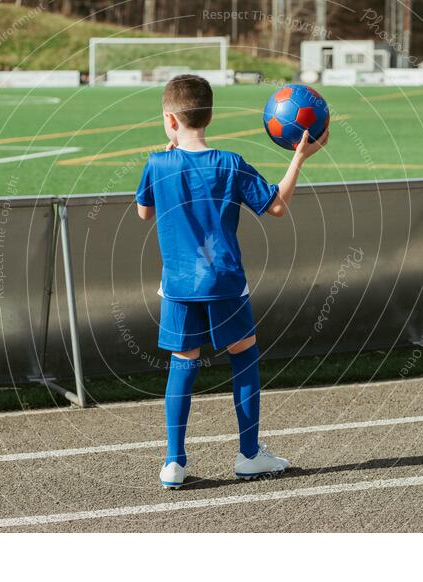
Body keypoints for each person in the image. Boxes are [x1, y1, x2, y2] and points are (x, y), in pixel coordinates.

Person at [135, 74, 329, 489]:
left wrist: (168, 158)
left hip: (178, 286)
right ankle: (249, 454)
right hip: (225, 281)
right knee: (243, 357)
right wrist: (299, 158)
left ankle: (174, 462)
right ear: (209, 116)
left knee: (182, 363)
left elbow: (143, 213)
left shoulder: (157, 163)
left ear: (170, 119)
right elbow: (275, 207)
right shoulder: (230, 163)